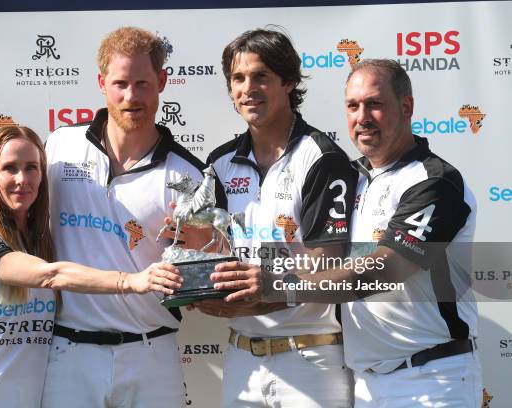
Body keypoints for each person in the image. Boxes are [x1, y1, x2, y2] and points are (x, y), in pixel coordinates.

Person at [216, 59, 482, 407]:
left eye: (374, 104)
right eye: (353, 106)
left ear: (407, 107)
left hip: (433, 377)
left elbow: (384, 270)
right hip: (365, 383)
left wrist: (272, 285)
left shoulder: (435, 182)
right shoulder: (350, 177)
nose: (362, 117)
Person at [0, 126, 182, 408]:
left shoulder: (43, 238)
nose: (22, 179)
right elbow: (50, 275)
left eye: (31, 168)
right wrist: (131, 282)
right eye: (9, 168)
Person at [40, 27, 207, 408]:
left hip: (152, 354)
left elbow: (200, 279)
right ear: (101, 83)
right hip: (68, 352)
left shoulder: (189, 176)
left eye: (143, 84)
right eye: (120, 84)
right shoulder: (58, 147)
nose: (131, 97)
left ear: (162, 82)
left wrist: (199, 272)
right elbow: (12, 210)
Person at [200, 28, 356, 407]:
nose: (247, 88)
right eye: (238, 78)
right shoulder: (219, 163)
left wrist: (266, 287)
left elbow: (330, 262)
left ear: (288, 82)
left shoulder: (322, 157)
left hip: (311, 356)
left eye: (261, 77)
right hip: (241, 359)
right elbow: (211, 255)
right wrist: (198, 289)